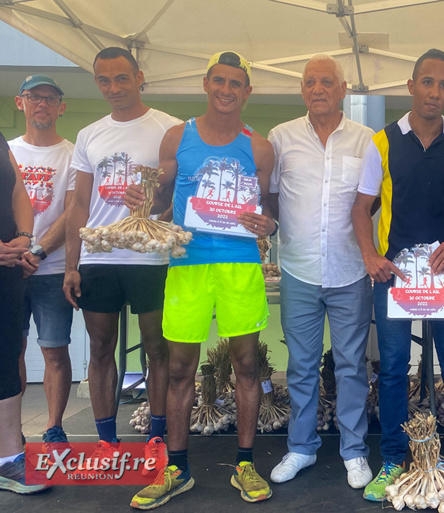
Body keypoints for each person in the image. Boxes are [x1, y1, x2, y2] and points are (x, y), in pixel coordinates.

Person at [351, 48, 444, 505]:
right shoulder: (381, 142)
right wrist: (368, 256)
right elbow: (360, 209)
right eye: (427, 82)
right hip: (395, 276)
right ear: (411, 86)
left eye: (443, 84)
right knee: (394, 369)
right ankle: (393, 460)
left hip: (442, 276)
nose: (434, 92)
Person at [127, 51, 276, 509]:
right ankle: (177, 468)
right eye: (219, 81)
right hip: (186, 265)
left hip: (239, 265)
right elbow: (161, 202)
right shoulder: (178, 136)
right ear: (206, 83)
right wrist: (142, 201)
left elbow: (269, 212)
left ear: (247, 92)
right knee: (177, 368)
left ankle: (246, 463)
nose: (226, 90)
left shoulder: (259, 147)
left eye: (236, 83)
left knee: (247, 364)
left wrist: (268, 226)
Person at [267, 55, 375, 488]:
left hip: (350, 271)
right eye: (309, 82)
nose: (317, 89)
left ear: (343, 89)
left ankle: (354, 451)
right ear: (302, 89)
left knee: (351, 365)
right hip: (299, 269)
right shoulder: (281, 138)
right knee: (301, 365)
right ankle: (301, 447)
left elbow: (371, 204)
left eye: (326, 82)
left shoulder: (367, 140)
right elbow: (271, 197)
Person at [63, 48, 176, 459]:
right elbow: (78, 204)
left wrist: (157, 210)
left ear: (139, 77)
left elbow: (177, 195)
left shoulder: (168, 128)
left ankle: (157, 435)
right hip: (99, 255)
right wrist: (71, 265)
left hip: (149, 255)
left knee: (156, 347)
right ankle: (106, 439)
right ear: (97, 82)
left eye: (122, 78)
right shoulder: (89, 135)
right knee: (100, 348)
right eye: (104, 80)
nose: (114, 88)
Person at [10, 74, 75, 447]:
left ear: (61, 107)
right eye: (34, 97)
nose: (42, 104)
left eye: (50, 98)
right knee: (11, 349)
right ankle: (11, 430)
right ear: (21, 102)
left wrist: (37, 251)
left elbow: (71, 212)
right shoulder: (9, 152)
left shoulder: (70, 153)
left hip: (51, 269)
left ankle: (54, 428)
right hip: (8, 270)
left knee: (54, 349)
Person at [0, 131, 46, 494]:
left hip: (7, 267)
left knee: (6, 353)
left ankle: (9, 459)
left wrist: (25, 236)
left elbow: (18, 190)